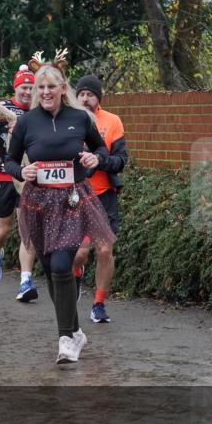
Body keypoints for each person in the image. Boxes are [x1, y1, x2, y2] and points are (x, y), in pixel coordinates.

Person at [5, 52, 116, 365]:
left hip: (72, 200)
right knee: (52, 272)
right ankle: (76, 330)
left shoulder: (80, 118)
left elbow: (100, 148)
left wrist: (97, 160)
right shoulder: (27, 122)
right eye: (40, 88)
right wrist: (20, 172)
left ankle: (65, 339)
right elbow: (11, 160)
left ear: (62, 87)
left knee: (60, 266)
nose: (45, 93)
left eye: (51, 87)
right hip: (39, 204)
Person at [72, 75, 128, 323]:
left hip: (104, 196)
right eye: (81, 94)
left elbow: (121, 161)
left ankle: (99, 303)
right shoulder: (67, 121)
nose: (85, 98)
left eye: (90, 94)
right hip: (75, 196)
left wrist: (100, 159)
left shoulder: (112, 122)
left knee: (105, 250)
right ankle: (76, 272)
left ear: (98, 99)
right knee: (80, 254)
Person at [0, 65, 41, 302]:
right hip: (1, 174)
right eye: (23, 87)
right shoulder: (1, 108)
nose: (27, 92)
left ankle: (25, 280)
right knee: (2, 229)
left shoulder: (39, 111)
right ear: (15, 87)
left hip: (28, 176)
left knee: (27, 227)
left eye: (31, 87)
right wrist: (4, 133)